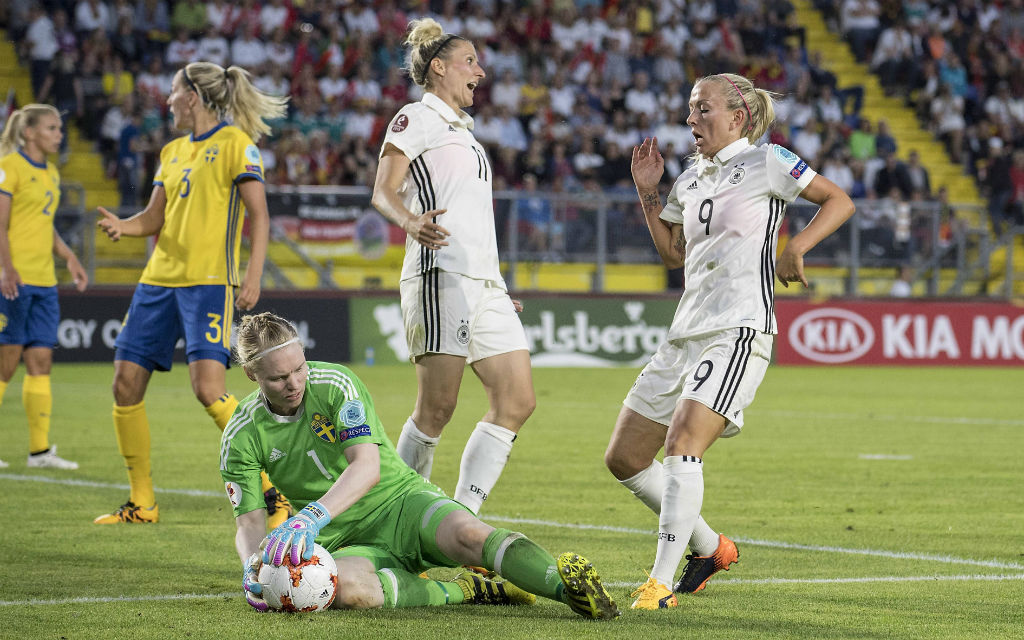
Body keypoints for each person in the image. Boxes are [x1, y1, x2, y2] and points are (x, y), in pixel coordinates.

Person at [605, 73, 855, 610]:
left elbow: (838, 201)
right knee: (624, 457)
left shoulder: (769, 160)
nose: (690, 121)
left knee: (682, 446)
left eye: (701, 110)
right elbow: (673, 255)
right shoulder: (691, 177)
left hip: (739, 327)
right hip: (685, 331)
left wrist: (797, 246)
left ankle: (660, 585)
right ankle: (710, 547)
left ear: (737, 118)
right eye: (690, 111)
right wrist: (647, 192)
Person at [222, 312, 619, 619]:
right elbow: (249, 521)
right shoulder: (240, 434)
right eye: (278, 378)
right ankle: (468, 591)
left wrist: (309, 517)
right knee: (345, 593)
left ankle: (571, 592)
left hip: (401, 503)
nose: (294, 383)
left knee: (470, 535)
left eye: (299, 368)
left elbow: (367, 467)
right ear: (251, 374)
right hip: (343, 539)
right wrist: (254, 569)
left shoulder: (335, 385)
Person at [93, 61, 288, 526]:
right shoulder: (173, 149)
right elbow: (153, 217)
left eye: (173, 92)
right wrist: (126, 225)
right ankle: (143, 503)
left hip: (207, 281)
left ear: (193, 97)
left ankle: (273, 491)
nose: (168, 100)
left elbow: (259, 215)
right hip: (157, 281)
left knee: (208, 389)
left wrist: (253, 273)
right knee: (124, 384)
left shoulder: (236, 145)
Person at [370, 18, 535, 515]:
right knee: (437, 408)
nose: (480, 72)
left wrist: (496, 282)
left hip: (484, 284)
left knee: (517, 401)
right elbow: (383, 190)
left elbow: (471, 217)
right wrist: (410, 222)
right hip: (439, 274)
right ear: (438, 68)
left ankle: (460, 521)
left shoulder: (465, 134)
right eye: (471, 62)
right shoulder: (416, 119)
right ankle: (395, 514)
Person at [0, 104, 88, 470]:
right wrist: (5, 269)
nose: (59, 134)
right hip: (14, 280)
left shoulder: (51, 172)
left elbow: (42, 224)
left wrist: (68, 256)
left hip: (44, 283)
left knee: (41, 361)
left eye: (59, 128)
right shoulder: (10, 167)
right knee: (5, 363)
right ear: (30, 133)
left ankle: (39, 452)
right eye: (51, 128)